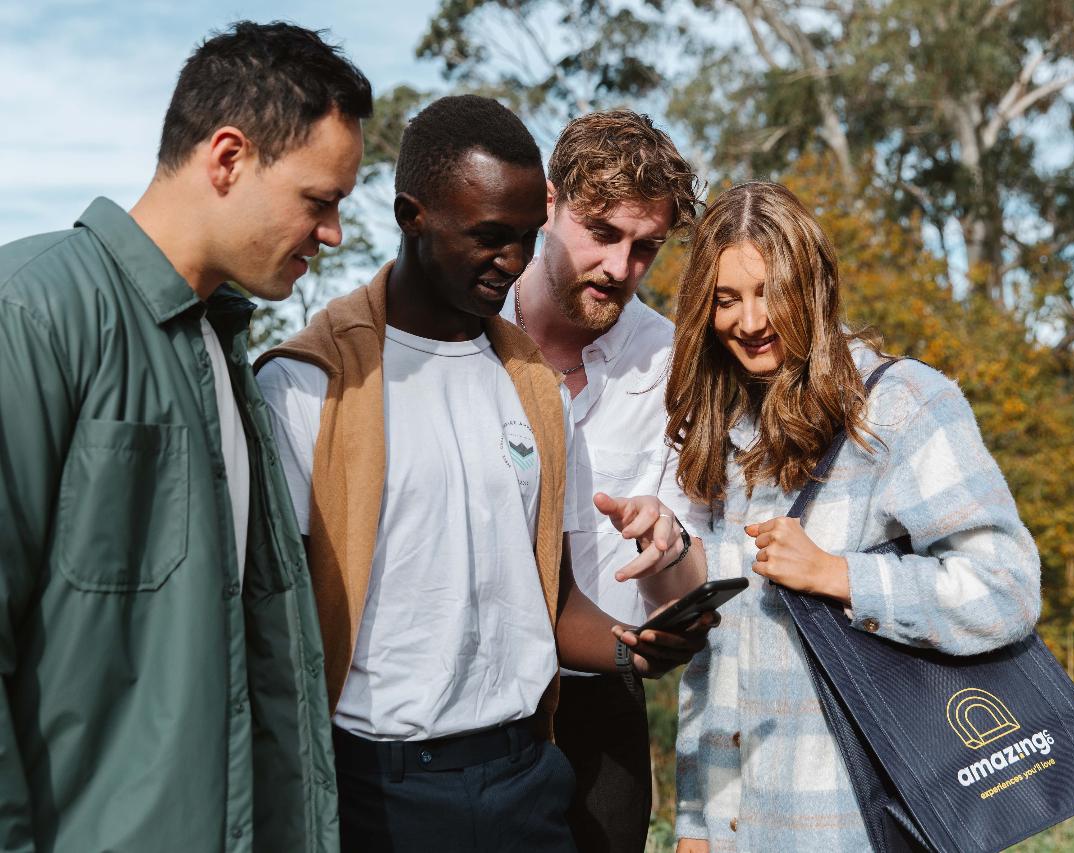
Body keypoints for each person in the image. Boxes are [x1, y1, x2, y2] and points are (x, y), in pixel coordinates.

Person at [255, 95, 714, 853]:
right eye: (491, 237)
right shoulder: (309, 388)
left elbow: (552, 596)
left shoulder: (535, 386)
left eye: (523, 240)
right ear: (413, 216)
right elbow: (273, 627)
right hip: (375, 785)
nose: (511, 260)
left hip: (530, 774)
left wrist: (637, 644)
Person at [0, 21, 371, 853]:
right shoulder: (28, 313)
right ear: (229, 157)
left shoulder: (226, 348)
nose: (335, 233)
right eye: (321, 200)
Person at [663, 183, 1042, 851]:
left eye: (769, 293)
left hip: (858, 825)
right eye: (726, 300)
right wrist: (696, 823)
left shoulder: (903, 406)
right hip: (743, 829)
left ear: (811, 287)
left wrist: (842, 575)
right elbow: (721, 659)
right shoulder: (726, 431)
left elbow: (1006, 588)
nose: (749, 322)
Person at [500, 109, 707, 853]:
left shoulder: (674, 364)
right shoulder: (465, 334)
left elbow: (681, 580)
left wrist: (671, 544)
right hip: (473, 709)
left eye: (645, 246)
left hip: (604, 703)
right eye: (602, 232)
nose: (620, 268)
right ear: (548, 205)